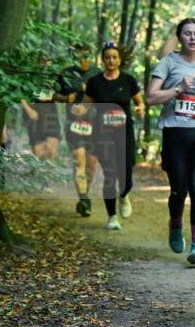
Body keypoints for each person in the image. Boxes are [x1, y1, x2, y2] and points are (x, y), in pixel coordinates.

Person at [148, 18, 195, 266]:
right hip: (175, 130)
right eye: (187, 33)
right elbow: (151, 97)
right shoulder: (168, 62)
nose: (192, 38)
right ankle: (175, 225)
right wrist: (177, 89)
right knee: (179, 189)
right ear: (180, 37)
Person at [78, 42, 144, 230]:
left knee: (127, 173)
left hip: (125, 133)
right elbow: (86, 106)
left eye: (114, 57)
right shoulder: (95, 82)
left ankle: (124, 196)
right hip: (103, 133)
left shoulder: (128, 81)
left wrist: (140, 109)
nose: (111, 60)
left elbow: (139, 102)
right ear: (103, 60)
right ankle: (112, 217)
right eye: (107, 57)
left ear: (120, 60)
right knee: (110, 174)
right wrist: (78, 109)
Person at [61, 43, 100, 217]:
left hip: (95, 126)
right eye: (78, 55)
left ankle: (86, 193)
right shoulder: (67, 73)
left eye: (84, 55)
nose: (81, 58)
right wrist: (64, 97)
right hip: (74, 125)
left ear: (90, 55)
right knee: (79, 161)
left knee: (91, 166)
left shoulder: (98, 73)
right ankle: (83, 198)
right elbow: (50, 94)